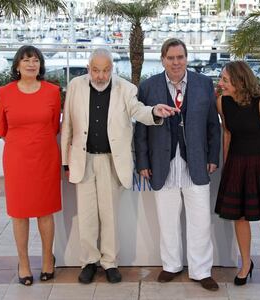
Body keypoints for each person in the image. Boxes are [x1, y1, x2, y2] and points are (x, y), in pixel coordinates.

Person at [61, 47, 177, 284]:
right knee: (87, 216)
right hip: (83, 160)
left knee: (110, 215)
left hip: (112, 161)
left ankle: (110, 262)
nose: (100, 76)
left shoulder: (126, 88)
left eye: (105, 70)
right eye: (96, 70)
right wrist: (65, 161)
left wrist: (155, 111)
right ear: (88, 68)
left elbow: (139, 111)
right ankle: (89, 262)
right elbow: (68, 126)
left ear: (112, 68)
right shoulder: (75, 86)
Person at [134, 38, 221, 291]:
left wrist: (213, 157)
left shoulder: (204, 84)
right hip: (162, 165)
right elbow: (141, 128)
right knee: (167, 220)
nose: (175, 62)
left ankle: (201, 270)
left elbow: (212, 126)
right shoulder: (148, 87)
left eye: (180, 57)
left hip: (197, 163)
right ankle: (171, 266)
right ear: (162, 59)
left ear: (186, 58)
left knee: (200, 221)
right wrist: (142, 162)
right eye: (170, 58)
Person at [214, 61, 260, 292]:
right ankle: (246, 263)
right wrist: (227, 165)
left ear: (240, 81)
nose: (220, 84)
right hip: (237, 164)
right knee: (240, 217)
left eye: (225, 80)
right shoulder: (222, 102)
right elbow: (227, 132)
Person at [0, 45, 61, 286]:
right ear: (17, 66)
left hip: (45, 158)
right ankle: (23, 263)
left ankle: (47, 260)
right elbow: (1, 129)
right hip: (17, 161)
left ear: (41, 65)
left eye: (35, 60)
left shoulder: (53, 92)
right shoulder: (4, 93)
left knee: (45, 211)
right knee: (19, 213)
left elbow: (55, 126)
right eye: (26, 60)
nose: (31, 64)